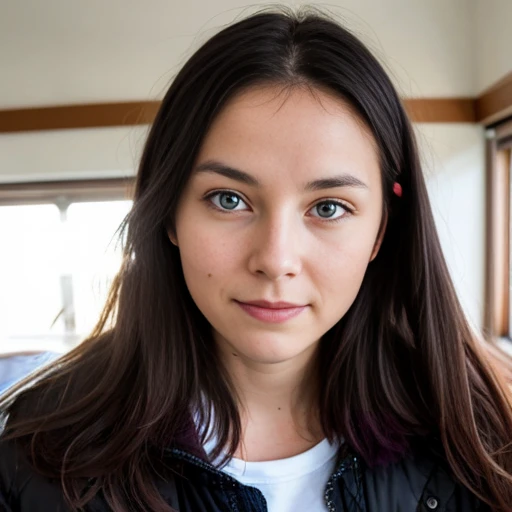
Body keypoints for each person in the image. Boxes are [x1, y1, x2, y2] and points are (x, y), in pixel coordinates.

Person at [1, 6, 511, 512]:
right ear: (170, 214)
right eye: (229, 199)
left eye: (329, 207)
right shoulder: (35, 457)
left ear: (381, 231)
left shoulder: (480, 444)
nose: (275, 259)